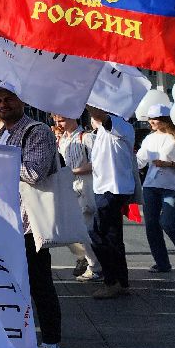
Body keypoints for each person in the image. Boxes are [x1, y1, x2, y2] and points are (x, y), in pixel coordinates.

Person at [0, 83, 66, 348]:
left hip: (28, 224)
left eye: (8, 99)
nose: (2, 105)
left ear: (21, 101)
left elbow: (35, 173)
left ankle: (52, 347)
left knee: (39, 286)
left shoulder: (36, 131)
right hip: (0, 221)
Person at [135, 103, 175, 273]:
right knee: (151, 225)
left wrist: (170, 164)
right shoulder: (149, 138)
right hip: (151, 185)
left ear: (164, 119)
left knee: (169, 223)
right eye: (149, 119)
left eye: (154, 118)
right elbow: (140, 160)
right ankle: (162, 263)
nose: (151, 122)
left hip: (173, 186)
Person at [86, 104, 136, 299]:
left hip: (112, 189)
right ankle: (120, 281)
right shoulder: (101, 133)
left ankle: (112, 281)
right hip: (105, 189)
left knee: (97, 233)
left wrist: (86, 97)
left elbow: (102, 116)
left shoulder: (120, 126)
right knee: (112, 237)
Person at [52, 114, 101, 281]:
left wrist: (73, 171)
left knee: (86, 229)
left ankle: (95, 266)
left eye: (62, 120)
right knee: (74, 229)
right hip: (69, 187)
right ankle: (89, 261)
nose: (59, 124)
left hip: (86, 187)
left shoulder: (86, 137)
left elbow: (97, 163)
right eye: (56, 121)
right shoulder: (61, 140)